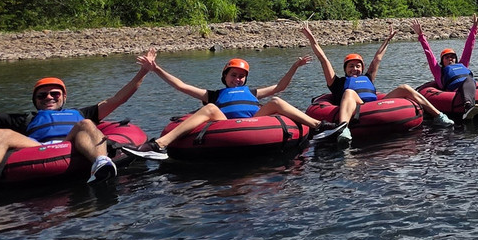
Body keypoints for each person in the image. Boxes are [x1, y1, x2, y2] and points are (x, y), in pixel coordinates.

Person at [126, 52, 343, 160]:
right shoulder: (213, 95)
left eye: (241, 76)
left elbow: (280, 87)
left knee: (276, 101)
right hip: (225, 123)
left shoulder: (252, 92)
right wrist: (156, 69)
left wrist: (295, 66)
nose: (237, 79)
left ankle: (319, 126)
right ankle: (159, 145)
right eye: (233, 75)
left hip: (256, 121)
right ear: (225, 76)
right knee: (209, 108)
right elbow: (181, 86)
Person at [0, 56, 151, 183]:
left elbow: (118, 99)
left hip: (71, 142)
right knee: (1, 134)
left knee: (86, 123)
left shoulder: (81, 113)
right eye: (42, 95)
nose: (49, 97)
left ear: (64, 97)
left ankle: (101, 163)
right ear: (35, 100)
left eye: (55, 94)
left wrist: (143, 72)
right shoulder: (27, 118)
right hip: (37, 147)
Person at [301, 22, 454, 129]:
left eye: (358, 66)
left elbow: (377, 58)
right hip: (356, 107)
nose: (355, 69)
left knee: (405, 88)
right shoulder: (337, 83)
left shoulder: (367, 78)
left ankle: (438, 116)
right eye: (351, 66)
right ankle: (343, 128)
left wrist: (388, 39)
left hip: (375, 104)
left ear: (362, 68)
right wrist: (311, 39)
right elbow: (323, 59)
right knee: (349, 92)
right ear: (345, 69)